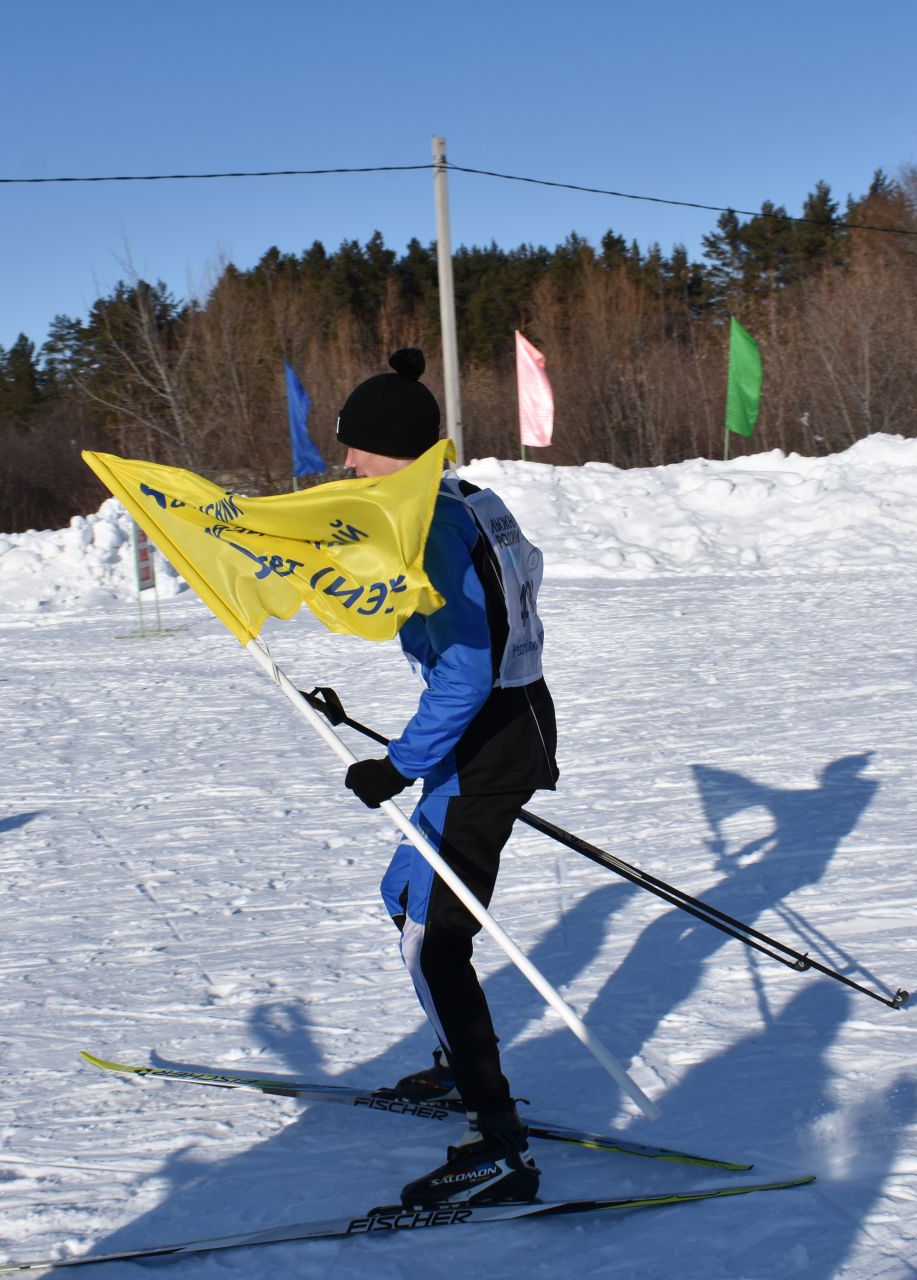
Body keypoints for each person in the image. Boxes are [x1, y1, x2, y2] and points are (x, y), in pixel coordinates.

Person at [332, 348, 559, 1209]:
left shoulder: (432, 518)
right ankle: (456, 1065)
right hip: (504, 724)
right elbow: (517, 586)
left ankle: (497, 1145)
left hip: (484, 738)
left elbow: (467, 669)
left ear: (392, 448)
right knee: (407, 894)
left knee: (436, 936)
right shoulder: (469, 495)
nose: (346, 462)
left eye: (356, 448)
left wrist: (399, 763)